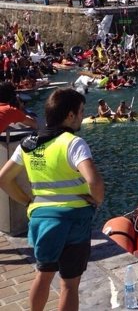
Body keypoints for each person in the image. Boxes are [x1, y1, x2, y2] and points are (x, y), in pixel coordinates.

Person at [0, 88, 104, 311]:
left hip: (42, 218)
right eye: (81, 112)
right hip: (74, 219)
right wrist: (96, 200)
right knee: (69, 285)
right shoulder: (73, 143)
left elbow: (4, 179)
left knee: (43, 274)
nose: (82, 117)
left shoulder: (28, 144)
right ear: (69, 115)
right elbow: (94, 181)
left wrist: (28, 202)